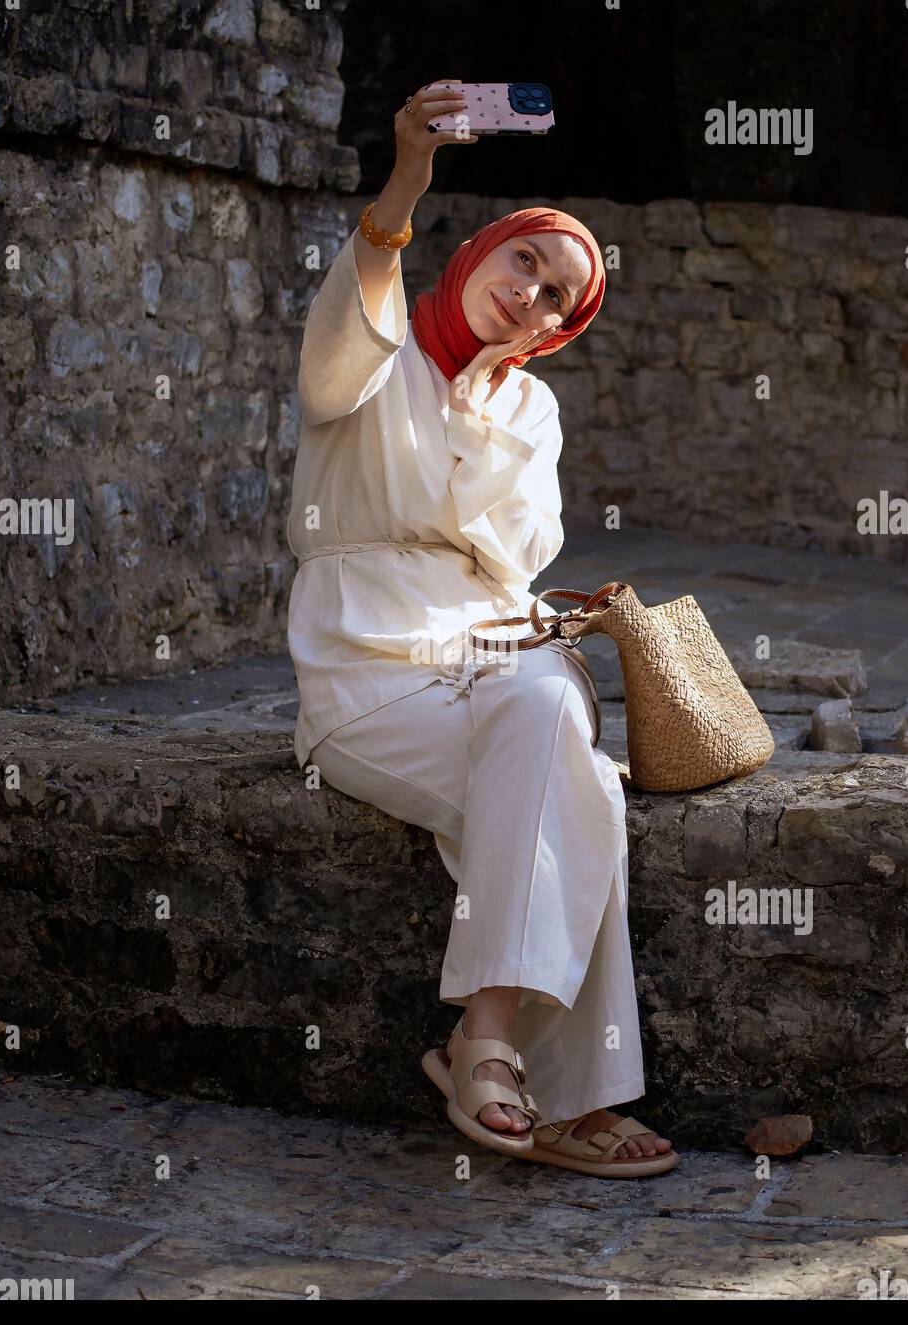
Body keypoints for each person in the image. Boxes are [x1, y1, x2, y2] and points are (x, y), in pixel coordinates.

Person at [286, 80, 676, 1177]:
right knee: (566, 762)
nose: (534, 298)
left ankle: (496, 1048)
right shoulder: (374, 355)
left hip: (489, 655)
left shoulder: (529, 409)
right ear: (481, 254)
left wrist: (480, 408)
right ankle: (559, 1083)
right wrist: (408, 172)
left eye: (559, 299)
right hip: (365, 671)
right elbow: (341, 339)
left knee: (572, 776)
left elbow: (518, 557)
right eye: (526, 265)